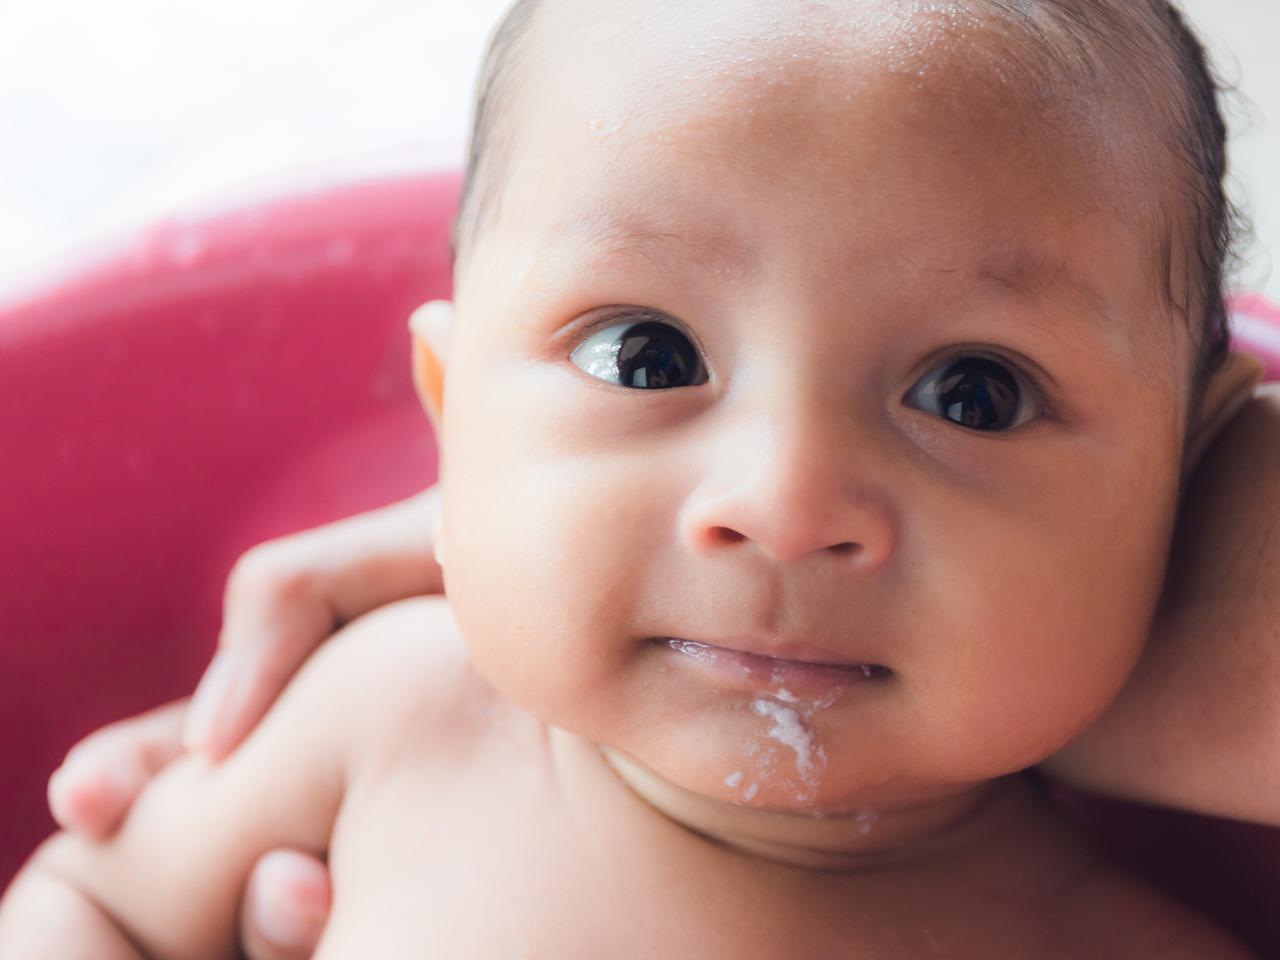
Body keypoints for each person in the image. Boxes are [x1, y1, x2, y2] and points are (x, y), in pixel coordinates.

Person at [2, 0, 1275, 954]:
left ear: (1188, 463)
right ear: (454, 418)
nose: (783, 503)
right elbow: (89, 904)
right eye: (645, 355)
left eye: (972, 394)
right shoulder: (396, 719)